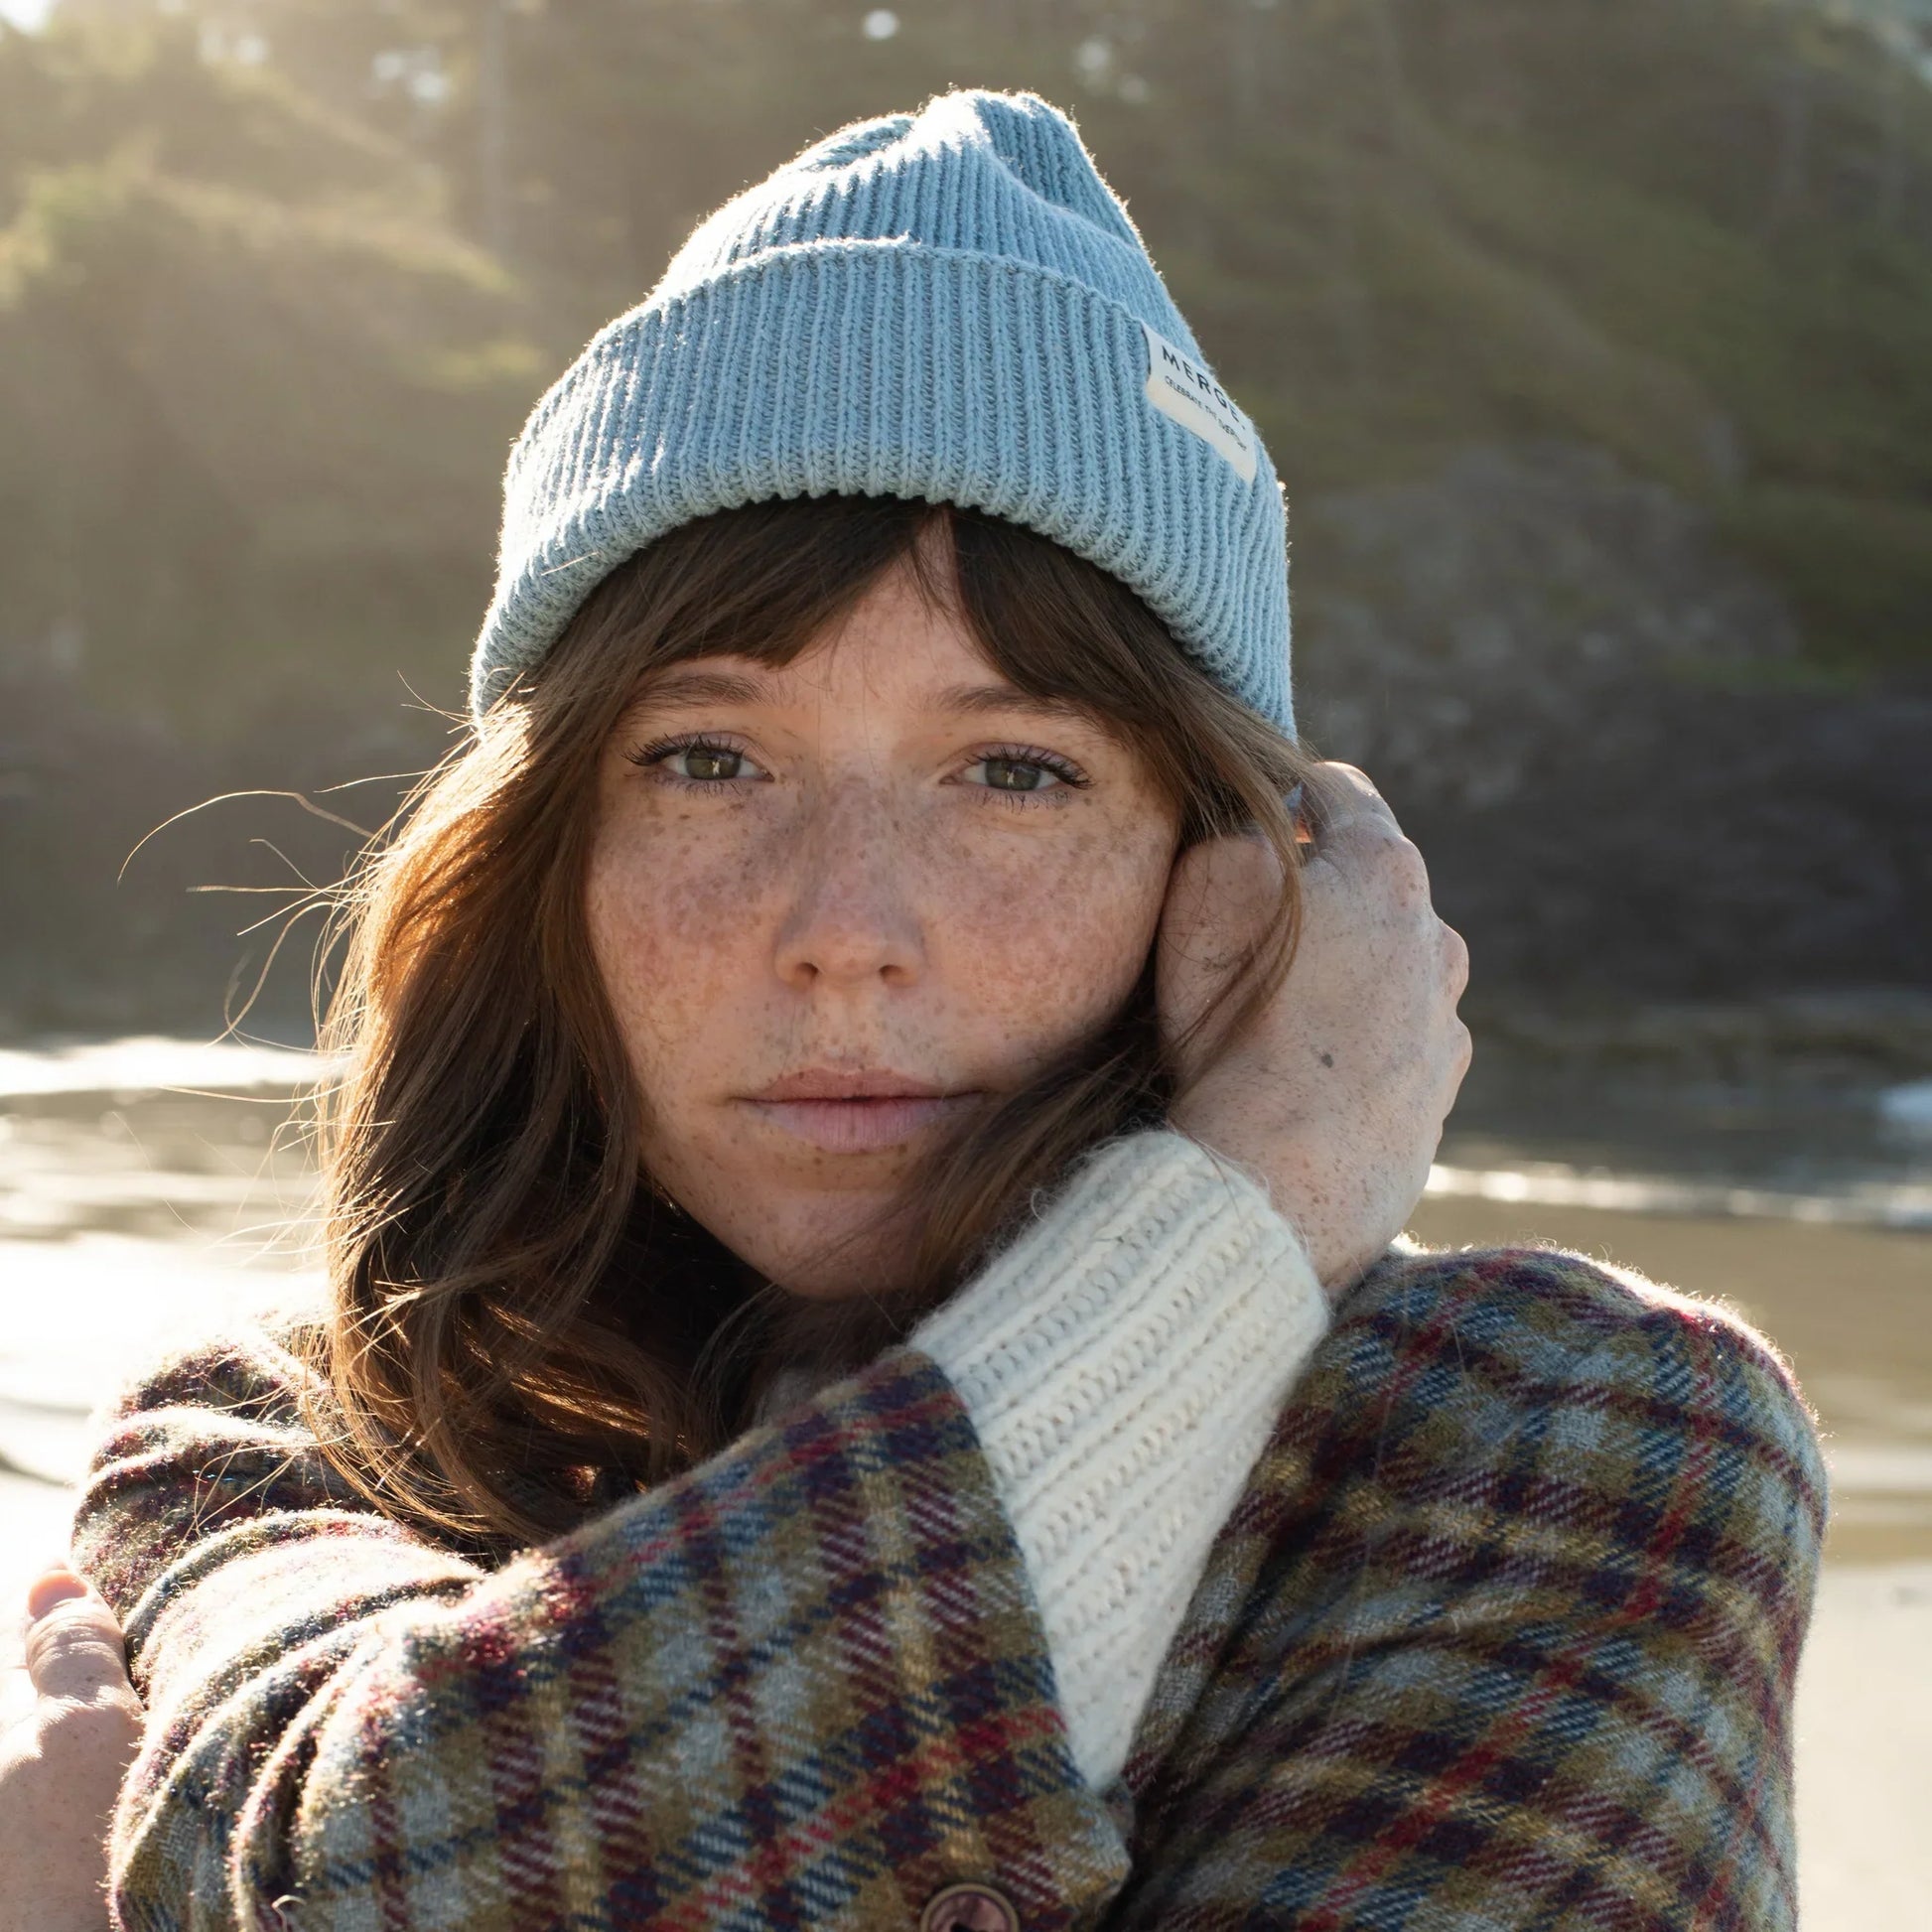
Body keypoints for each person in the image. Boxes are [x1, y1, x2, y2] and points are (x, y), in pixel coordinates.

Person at [0, 91, 1823, 1932]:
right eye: (707, 758)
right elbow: (369, 1875)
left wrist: (1255, 1204)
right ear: (545, 859)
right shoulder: (274, 1445)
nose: (845, 933)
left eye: (1014, 771)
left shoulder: (1554, 1445)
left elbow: (338, 1888)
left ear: (1224, 866)